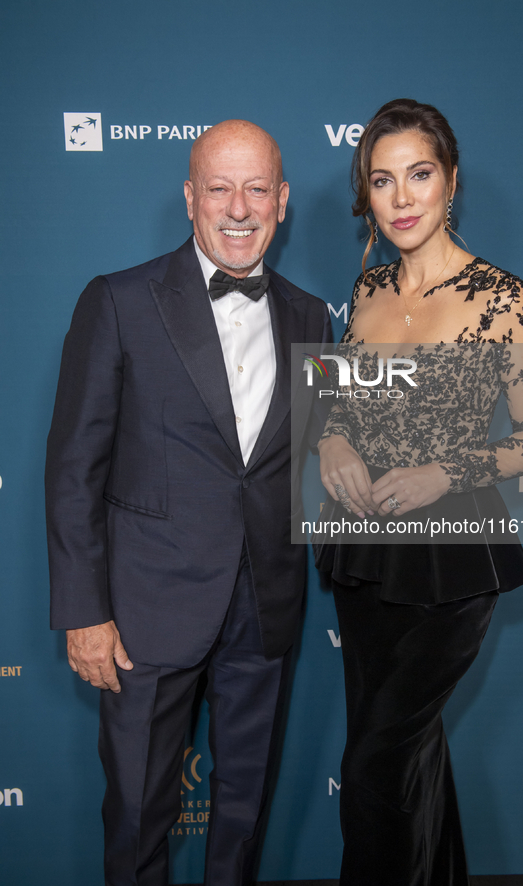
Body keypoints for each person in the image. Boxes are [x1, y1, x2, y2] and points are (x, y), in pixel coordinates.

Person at [45, 119, 330, 886]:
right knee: (137, 814)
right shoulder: (118, 300)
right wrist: (82, 610)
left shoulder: (310, 315)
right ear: (189, 198)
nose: (238, 208)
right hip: (144, 610)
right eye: (218, 188)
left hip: (266, 602)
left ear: (283, 201)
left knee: (243, 813)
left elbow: (320, 465)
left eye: (257, 189)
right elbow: (74, 467)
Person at [316, 99, 523, 886]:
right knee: (406, 757)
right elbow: (336, 398)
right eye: (382, 181)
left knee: (375, 766)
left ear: (449, 181)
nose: (402, 197)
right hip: (367, 549)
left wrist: (443, 472)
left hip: (453, 560)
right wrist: (330, 437)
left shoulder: (501, 297)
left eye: (418, 175)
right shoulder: (366, 289)